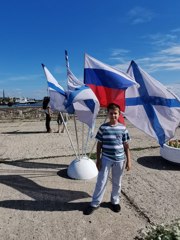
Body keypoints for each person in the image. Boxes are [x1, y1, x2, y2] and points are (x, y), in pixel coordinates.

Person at [83, 103, 132, 215]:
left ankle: (114, 201)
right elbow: (99, 144)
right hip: (106, 159)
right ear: (108, 113)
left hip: (119, 160)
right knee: (101, 181)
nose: (113, 115)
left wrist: (129, 161)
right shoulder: (103, 128)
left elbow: (126, 146)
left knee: (117, 182)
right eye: (111, 113)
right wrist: (98, 159)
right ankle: (95, 203)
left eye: (115, 113)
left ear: (119, 114)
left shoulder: (123, 128)